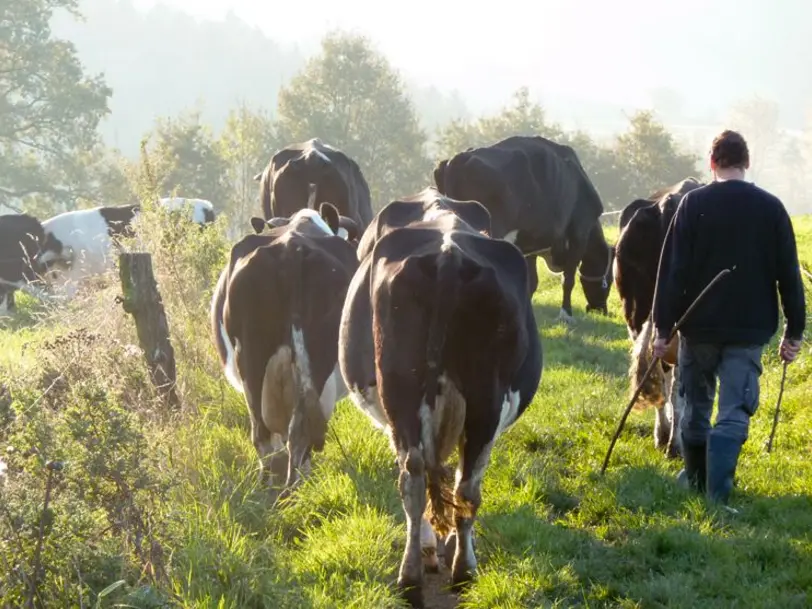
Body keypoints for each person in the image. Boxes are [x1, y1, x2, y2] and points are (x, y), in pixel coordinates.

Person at [652, 129, 805, 509]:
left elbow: (672, 272)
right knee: (735, 409)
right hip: (748, 329)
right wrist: (795, 330)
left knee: (696, 407)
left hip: (697, 327)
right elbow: (789, 273)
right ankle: (717, 494)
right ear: (746, 163)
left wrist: (661, 328)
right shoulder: (771, 208)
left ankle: (698, 484)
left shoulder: (691, 205)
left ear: (712, 163)